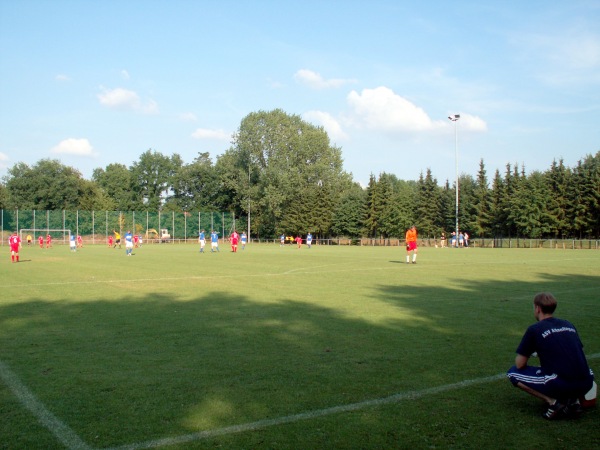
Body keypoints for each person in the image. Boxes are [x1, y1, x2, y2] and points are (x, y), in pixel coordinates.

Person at [507, 292, 595, 420]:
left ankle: (553, 402)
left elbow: (520, 364)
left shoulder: (534, 329)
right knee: (572, 369)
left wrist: (531, 352)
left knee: (513, 373)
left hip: (562, 384)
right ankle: (573, 402)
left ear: (537, 308)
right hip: (587, 381)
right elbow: (574, 351)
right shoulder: (568, 324)